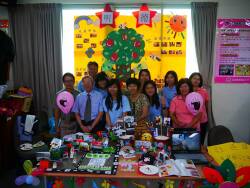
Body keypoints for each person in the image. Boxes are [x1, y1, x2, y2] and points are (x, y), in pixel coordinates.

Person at [55, 73, 80, 137]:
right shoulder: (59, 94)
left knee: (76, 144)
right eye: (66, 81)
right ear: (63, 82)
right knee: (64, 144)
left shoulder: (79, 94)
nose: (69, 83)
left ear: (74, 81)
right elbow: (57, 111)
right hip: (64, 124)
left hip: (76, 123)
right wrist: (56, 126)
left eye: (71, 81)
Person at [189, 72, 209, 144]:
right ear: (190, 79)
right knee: (191, 141)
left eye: (198, 79)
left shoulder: (204, 92)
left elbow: (206, 105)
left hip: (202, 120)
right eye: (194, 78)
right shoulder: (187, 91)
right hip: (191, 120)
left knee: (200, 141)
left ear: (200, 81)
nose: (196, 80)